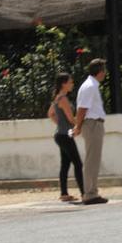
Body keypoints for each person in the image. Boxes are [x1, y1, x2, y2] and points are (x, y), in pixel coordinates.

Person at [73, 58, 109, 205]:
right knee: (91, 160)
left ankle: (92, 191)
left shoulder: (91, 85)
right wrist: (78, 126)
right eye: (104, 70)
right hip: (92, 124)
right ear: (100, 72)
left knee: (93, 159)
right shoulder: (90, 86)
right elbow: (82, 109)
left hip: (94, 124)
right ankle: (90, 193)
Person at [47, 72, 84, 203]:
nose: (72, 84)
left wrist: (60, 124)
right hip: (65, 135)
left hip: (60, 134)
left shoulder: (57, 98)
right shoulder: (63, 99)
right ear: (64, 84)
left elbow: (50, 113)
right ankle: (84, 192)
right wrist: (80, 126)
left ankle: (64, 193)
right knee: (78, 164)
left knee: (65, 164)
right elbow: (70, 118)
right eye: (70, 82)